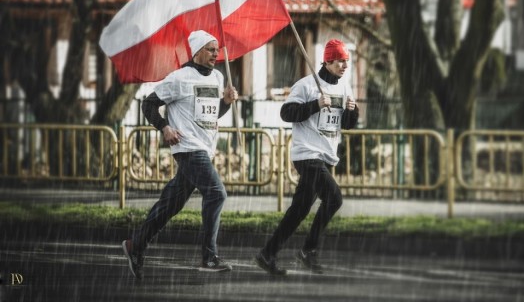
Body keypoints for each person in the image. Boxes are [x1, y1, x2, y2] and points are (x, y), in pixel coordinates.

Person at [122, 30, 238, 279]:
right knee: (216, 193)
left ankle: (135, 245)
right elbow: (148, 104)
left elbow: (210, 115)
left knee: (171, 203)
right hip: (187, 147)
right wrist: (164, 127)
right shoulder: (179, 78)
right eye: (210, 49)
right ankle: (209, 257)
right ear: (196, 51)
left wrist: (226, 102)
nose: (216, 53)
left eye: (217, 49)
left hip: (204, 148)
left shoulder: (218, 77)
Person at [254, 38, 359, 275]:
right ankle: (308, 250)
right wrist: (315, 104)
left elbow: (347, 125)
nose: (345, 66)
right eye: (341, 61)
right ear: (328, 60)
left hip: (326, 155)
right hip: (307, 154)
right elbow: (286, 113)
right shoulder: (306, 85)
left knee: (299, 210)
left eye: (346, 62)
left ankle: (267, 254)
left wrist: (353, 112)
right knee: (334, 198)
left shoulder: (343, 87)